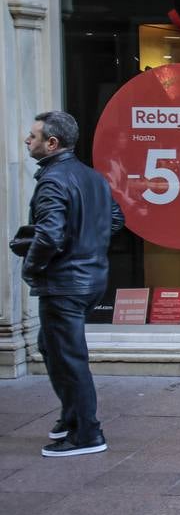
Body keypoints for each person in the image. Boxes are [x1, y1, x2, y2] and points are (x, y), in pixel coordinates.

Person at [21, 111, 124, 458]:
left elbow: (50, 234)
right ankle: (71, 415)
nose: (27, 140)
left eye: (33, 136)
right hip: (91, 278)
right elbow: (114, 220)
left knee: (68, 358)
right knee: (50, 346)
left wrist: (32, 267)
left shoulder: (53, 180)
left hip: (66, 283)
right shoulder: (92, 177)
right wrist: (87, 243)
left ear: (52, 143)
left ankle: (87, 433)